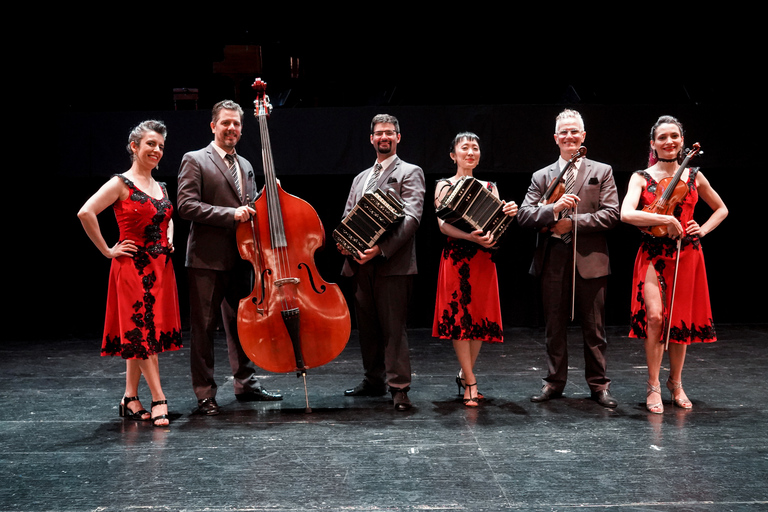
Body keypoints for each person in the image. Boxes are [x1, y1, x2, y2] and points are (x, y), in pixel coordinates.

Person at [177, 99, 282, 416]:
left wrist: (268, 198)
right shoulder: (195, 160)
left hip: (242, 259)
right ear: (213, 125)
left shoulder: (247, 165)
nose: (232, 128)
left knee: (243, 326)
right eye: (226, 123)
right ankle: (205, 393)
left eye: (236, 123)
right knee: (204, 329)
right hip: (206, 261)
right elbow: (186, 205)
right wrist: (230, 214)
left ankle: (246, 385)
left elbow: (247, 210)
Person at [78, 119, 182, 427]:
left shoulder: (160, 187)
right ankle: (159, 397)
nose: (157, 150)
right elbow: (86, 212)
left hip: (160, 268)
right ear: (134, 146)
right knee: (142, 333)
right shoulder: (121, 184)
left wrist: (170, 239)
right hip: (132, 269)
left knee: (142, 336)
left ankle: (129, 397)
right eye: (151, 144)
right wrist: (107, 250)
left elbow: (167, 217)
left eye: (161, 146)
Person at [620, 115, 727, 414]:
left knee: (679, 321)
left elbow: (721, 209)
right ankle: (653, 384)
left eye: (674, 137)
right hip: (653, 251)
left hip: (686, 253)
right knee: (655, 317)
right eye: (662, 137)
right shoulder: (641, 177)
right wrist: (663, 218)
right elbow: (626, 214)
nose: (669, 142)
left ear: (682, 141)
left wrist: (702, 228)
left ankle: (675, 382)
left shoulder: (693, 176)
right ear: (653, 143)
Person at [517, 109, 620, 408]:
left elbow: (611, 214)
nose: (569, 136)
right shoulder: (542, 176)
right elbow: (525, 214)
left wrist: (571, 222)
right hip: (553, 258)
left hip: (591, 260)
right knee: (554, 326)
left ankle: (599, 385)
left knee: (595, 328)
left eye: (575, 131)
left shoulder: (602, 171)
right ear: (555, 138)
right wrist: (553, 210)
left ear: (583, 136)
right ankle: (554, 382)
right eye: (564, 132)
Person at [339, 114, 426, 411]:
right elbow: (347, 217)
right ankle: (373, 379)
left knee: (392, 327)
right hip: (360, 263)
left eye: (389, 132)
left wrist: (380, 249)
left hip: (392, 263)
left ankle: (399, 387)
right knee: (368, 326)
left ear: (398, 137)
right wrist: (348, 246)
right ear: (371, 139)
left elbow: (412, 219)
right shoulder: (360, 178)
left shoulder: (410, 172)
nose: (384, 137)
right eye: (379, 133)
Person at [432, 132, 517, 407]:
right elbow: (443, 225)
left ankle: (464, 373)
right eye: (464, 147)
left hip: (483, 259)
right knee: (459, 320)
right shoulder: (444, 186)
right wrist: (470, 237)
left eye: (475, 148)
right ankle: (470, 381)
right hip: (457, 258)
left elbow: (495, 226)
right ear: (453, 155)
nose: (470, 152)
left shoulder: (490, 186)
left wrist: (508, 214)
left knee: (479, 320)